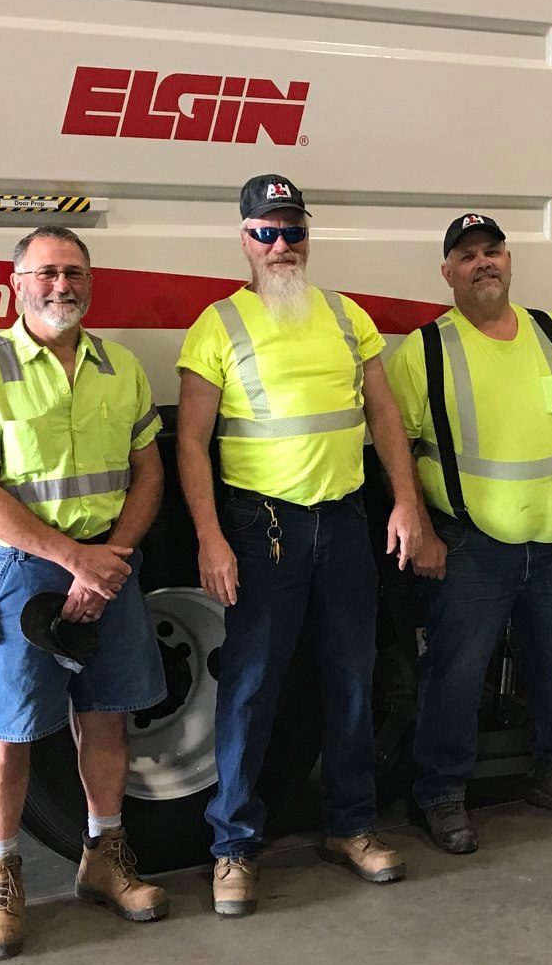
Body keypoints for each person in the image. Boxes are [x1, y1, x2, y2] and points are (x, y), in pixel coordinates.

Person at [175, 175, 435, 915]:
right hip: (266, 532)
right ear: (245, 240)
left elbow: (385, 417)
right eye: (267, 231)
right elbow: (192, 444)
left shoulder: (346, 316)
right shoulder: (217, 325)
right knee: (252, 688)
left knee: (351, 678)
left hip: (345, 523)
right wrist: (210, 538)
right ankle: (233, 847)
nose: (283, 245)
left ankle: (350, 827)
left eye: (293, 231)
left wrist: (407, 505)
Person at [0, 225, 170, 960]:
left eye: (73, 272)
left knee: (107, 721)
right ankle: (1, 878)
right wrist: (75, 560)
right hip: (23, 573)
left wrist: (111, 562)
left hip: (110, 566)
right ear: (17, 284)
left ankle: (105, 859)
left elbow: (149, 474)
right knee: (9, 733)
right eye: (45, 273)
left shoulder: (120, 367)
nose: (60, 286)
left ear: (90, 282)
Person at [385, 213, 552, 853]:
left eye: (493, 251)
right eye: (467, 256)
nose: (483, 263)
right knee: (457, 671)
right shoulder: (423, 350)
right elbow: (395, 446)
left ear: (509, 262)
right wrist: (419, 524)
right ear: (447, 272)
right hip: (472, 544)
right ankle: (440, 792)